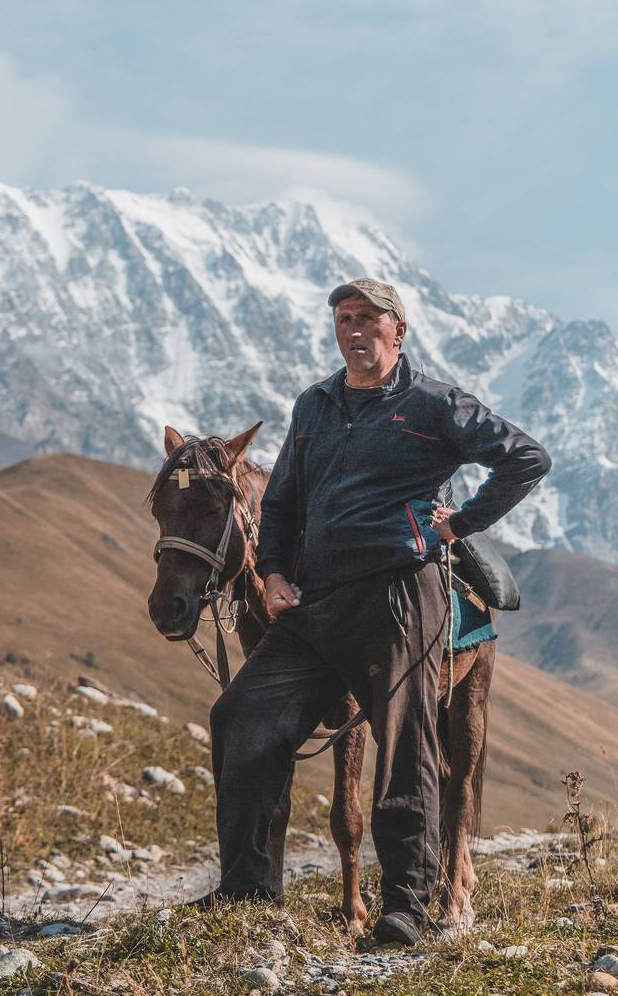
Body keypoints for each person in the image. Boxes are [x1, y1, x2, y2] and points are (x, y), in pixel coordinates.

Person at [202, 277, 551, 944]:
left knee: (404, 744)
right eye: (344, 319)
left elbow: (527, 460)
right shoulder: (315, 406)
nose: (354, 331)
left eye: (368, 319)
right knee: (242, 716)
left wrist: (460, 524)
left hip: (397, 595)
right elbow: (281, 505)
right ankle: (247, 889)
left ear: (399, 333)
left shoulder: (434, 403)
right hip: (315, 598)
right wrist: (272, 570)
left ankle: (406, 907)